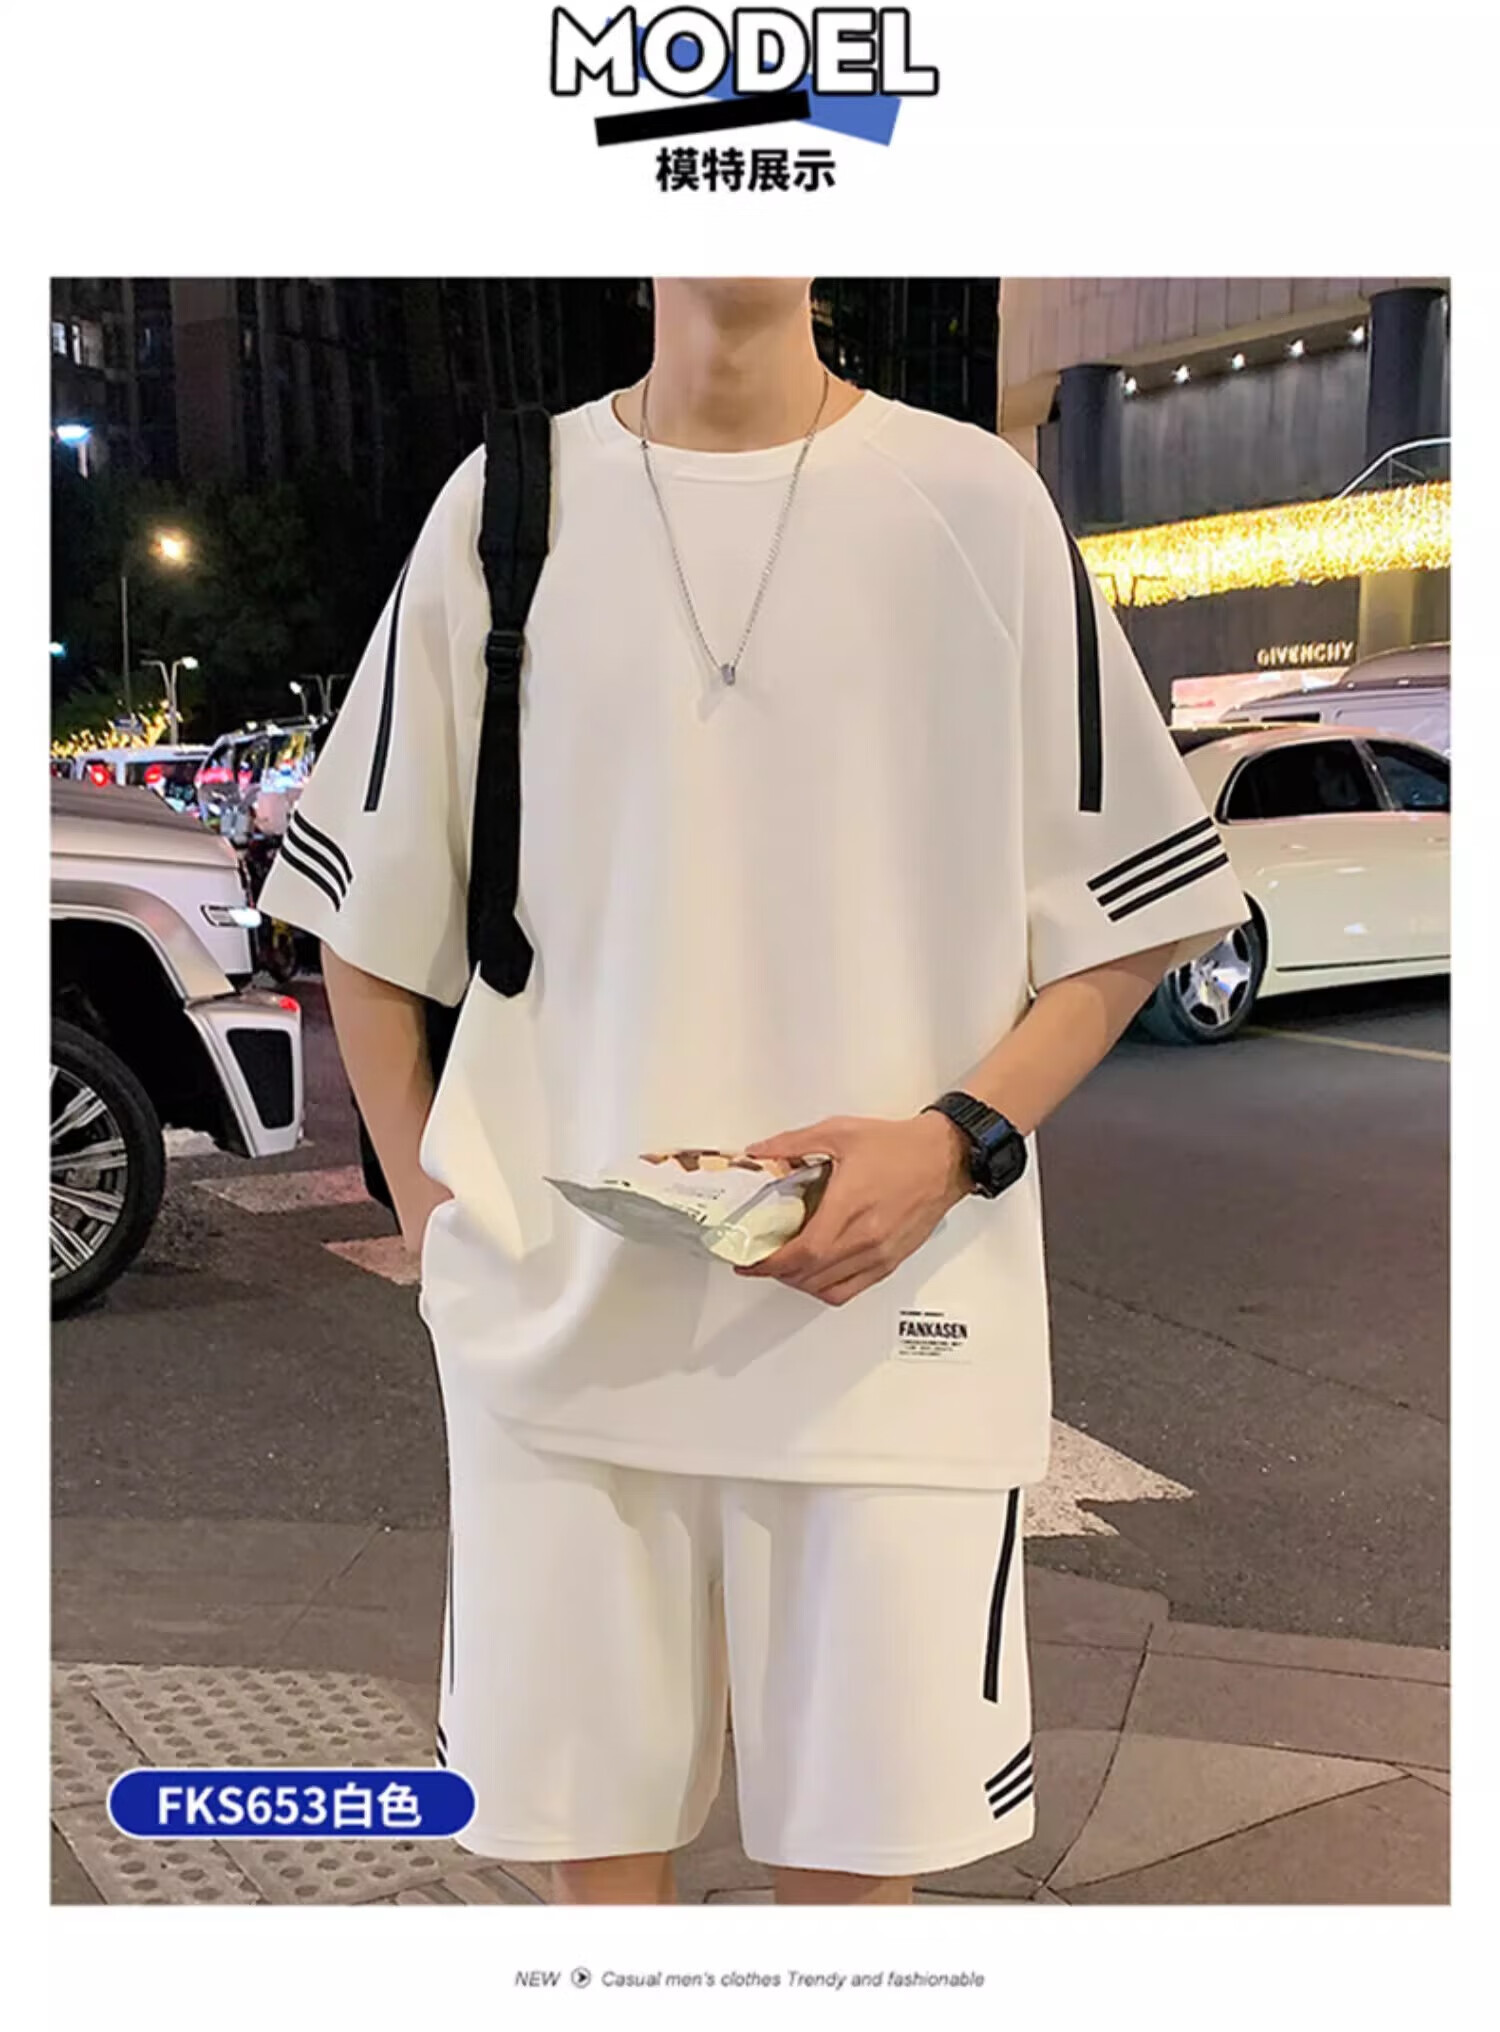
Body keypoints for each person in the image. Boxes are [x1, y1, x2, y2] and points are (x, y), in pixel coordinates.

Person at [259, 277, 1249, 1907]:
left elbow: (1131, 910)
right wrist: (440, 1223)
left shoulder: (974, 501)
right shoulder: (506, 506)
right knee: (597, 1894)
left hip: (892, 1323)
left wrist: (959, 1140)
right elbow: (365, 917)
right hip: (561, 1331)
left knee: (858, 1899)